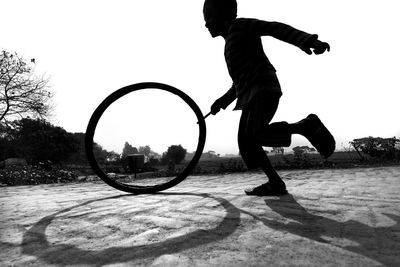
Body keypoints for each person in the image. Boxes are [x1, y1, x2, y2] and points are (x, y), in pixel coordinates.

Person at [203, 0, 335, 196]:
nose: (206, 24)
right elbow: (238, 83)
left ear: (221, 16)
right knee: (247, 141)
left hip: (263, 89)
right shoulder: (229, 42)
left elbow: (274, 28)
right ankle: (275, 182)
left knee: (253, 135)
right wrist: (221, 102)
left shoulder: (240, 26)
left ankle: (304, 126)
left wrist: (307, 41)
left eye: (208, 18)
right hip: (251, 94)